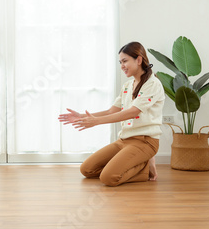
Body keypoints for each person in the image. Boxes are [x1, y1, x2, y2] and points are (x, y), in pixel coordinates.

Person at [58, 41, 164, 186]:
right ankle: (136, 162)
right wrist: (82, 116)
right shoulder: (127, 86)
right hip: (124, 140)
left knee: (108, 178)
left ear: (139, 60)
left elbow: (133, 112)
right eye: (120, 62)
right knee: (87, 169)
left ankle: (144, 167)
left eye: (125, 61)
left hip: (145, 141)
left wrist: (96, 122)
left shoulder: (153, 84)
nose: (122, 66)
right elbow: (111, 111)